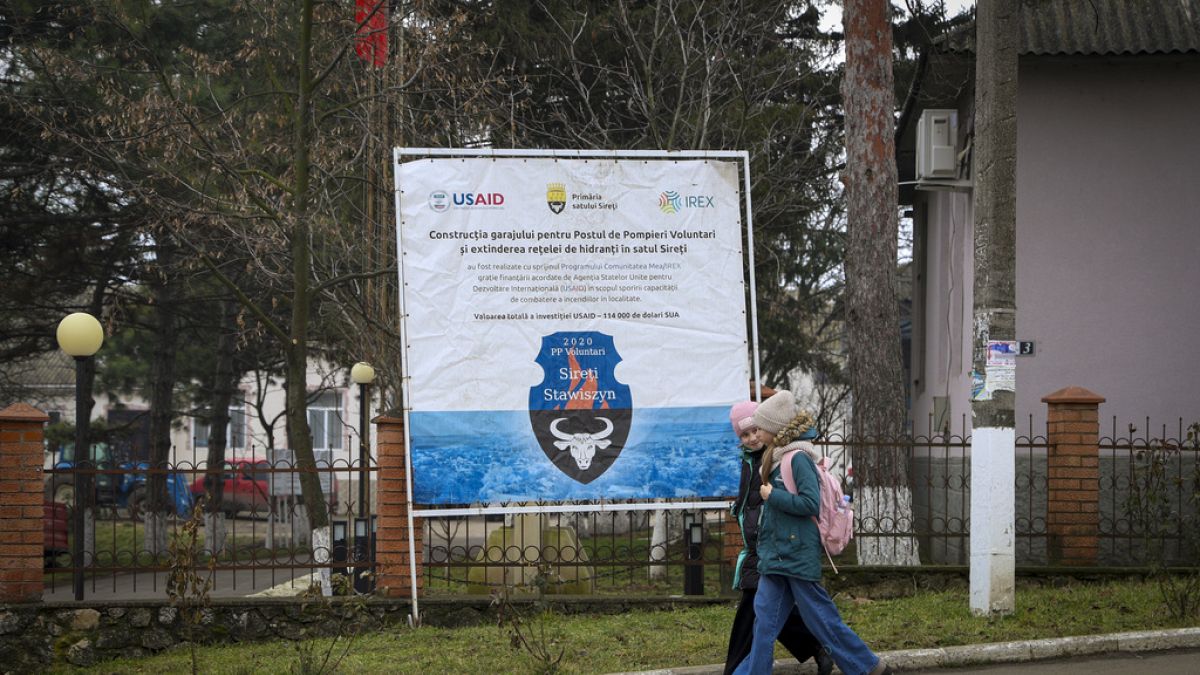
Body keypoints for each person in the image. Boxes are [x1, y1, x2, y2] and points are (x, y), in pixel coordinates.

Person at [734, 390, 893, 675]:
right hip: (775, 556)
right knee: (764, 624)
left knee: (821, 618)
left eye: (761, 427)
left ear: (775, 428)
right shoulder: (774, 458)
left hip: (795, 553)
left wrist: (773, 497)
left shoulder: (798, 458)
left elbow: (810, 503)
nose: (757, 433)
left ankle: (868, 666)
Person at [724, 401, 833, 675]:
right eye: (744, 435)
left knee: (757, 608)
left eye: (754, 431)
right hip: (756, 547)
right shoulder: (749, 461)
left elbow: (786, 500)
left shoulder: (774, 459)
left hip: (770, 544)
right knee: (767, 610)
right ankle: (817, 646)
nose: (751, 439)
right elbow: (750, 499)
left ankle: (738, 668)